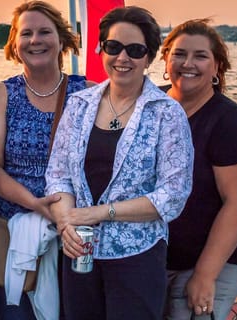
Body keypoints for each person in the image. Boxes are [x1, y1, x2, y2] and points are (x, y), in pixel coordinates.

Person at [45, 6, 193, 320]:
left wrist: (102, 213)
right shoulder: (79, 105)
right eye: (113, 47)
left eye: (135, 50)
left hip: (137, 258)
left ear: (150, 57)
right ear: (100, 49)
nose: (122, 58)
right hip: (79, 254)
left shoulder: (167, 113)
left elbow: (173, 194)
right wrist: (66, 222)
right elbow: (58, 175)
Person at [0, 1, 89, 318]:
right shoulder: (2, 95)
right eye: (26, 33)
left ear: (62, 40)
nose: (35, 40)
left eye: (44, 32)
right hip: (13, 236)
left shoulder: (89, 94)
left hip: (73, 238)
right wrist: (36, 203)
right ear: (14, 44)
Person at [158, 19, 237, 320]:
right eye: (179, 54)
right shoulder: (150, 104)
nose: (188, 63)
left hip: (207, 264)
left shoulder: (230, 121)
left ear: (216, 68)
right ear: (165, 60)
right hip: (153, 261)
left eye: (200, 56)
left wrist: (204, 275)